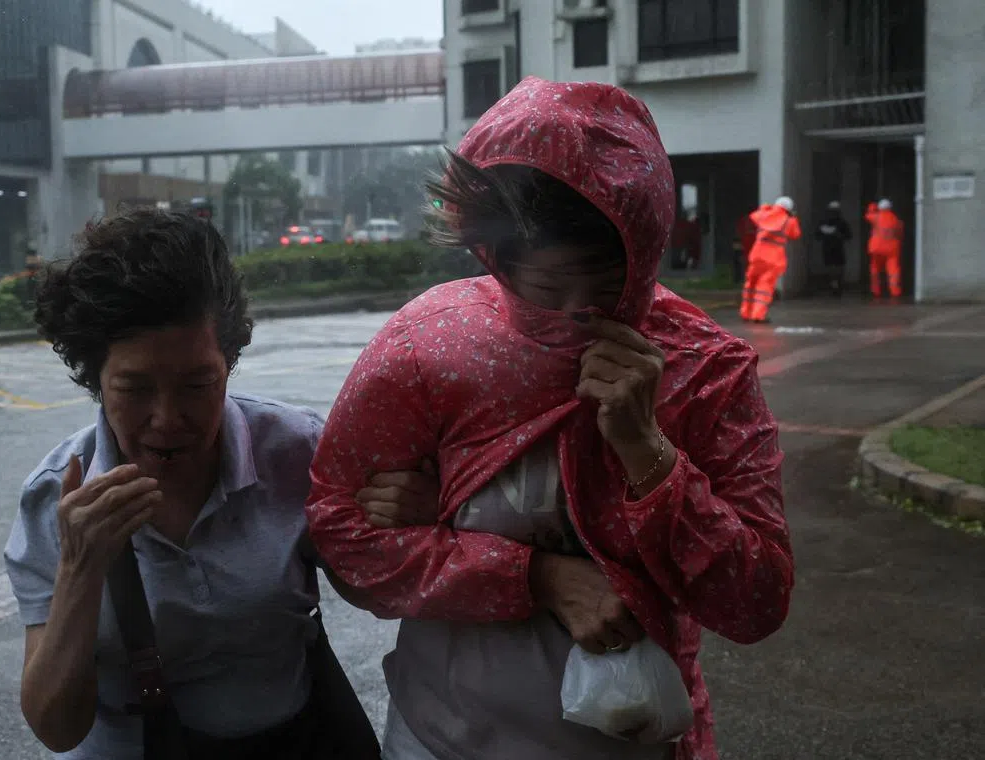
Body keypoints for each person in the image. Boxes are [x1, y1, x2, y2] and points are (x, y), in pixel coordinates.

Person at [307, 77, 794, 760]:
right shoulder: (430, 348)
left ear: (647, 252)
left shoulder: (705, 372)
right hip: (440, 739)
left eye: (605, 289)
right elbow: (343, 538)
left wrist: (648, 455)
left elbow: (756, 601)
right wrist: (533, 576)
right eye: (546, 288)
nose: (577, 316)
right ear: (495, 258)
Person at [3, 209, 439, 759]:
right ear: (95, 378)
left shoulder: (297, 450)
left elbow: (373, 593)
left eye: (197, 384)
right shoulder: (56, 497)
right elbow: (55, 727)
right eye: (135, 388)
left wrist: (412, 522)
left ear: (229, 362)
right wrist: (80, 567)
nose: (167, 418)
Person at [740, 196, 801, 323]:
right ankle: (758, 315)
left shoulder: (764, 215)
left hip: (757, 254)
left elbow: (754, 216)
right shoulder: (789, 221)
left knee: (751, 283)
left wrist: (765, 208)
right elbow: (795, 234)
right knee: (765, 286)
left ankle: (746, 313)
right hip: (774, 258)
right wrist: (793, 217)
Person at [865, 198, 904, 299]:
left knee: (875, 269)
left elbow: (867, 216)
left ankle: (876, 290)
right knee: (893, 270)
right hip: (892, 249)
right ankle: (895, 291)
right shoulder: (896, 220)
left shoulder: (876, 217)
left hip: (877, 248)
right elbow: (900, 234)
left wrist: (872, 208)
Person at [814, 201, 852, 296]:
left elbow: (848, 236)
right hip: (832, 248)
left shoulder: (839, 223)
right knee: (835, 268)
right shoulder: (840, 222)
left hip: (833, 248)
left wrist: (836, 234)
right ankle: (835, 285)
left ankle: (835, 285)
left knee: (835, 268)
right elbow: (817, 236)